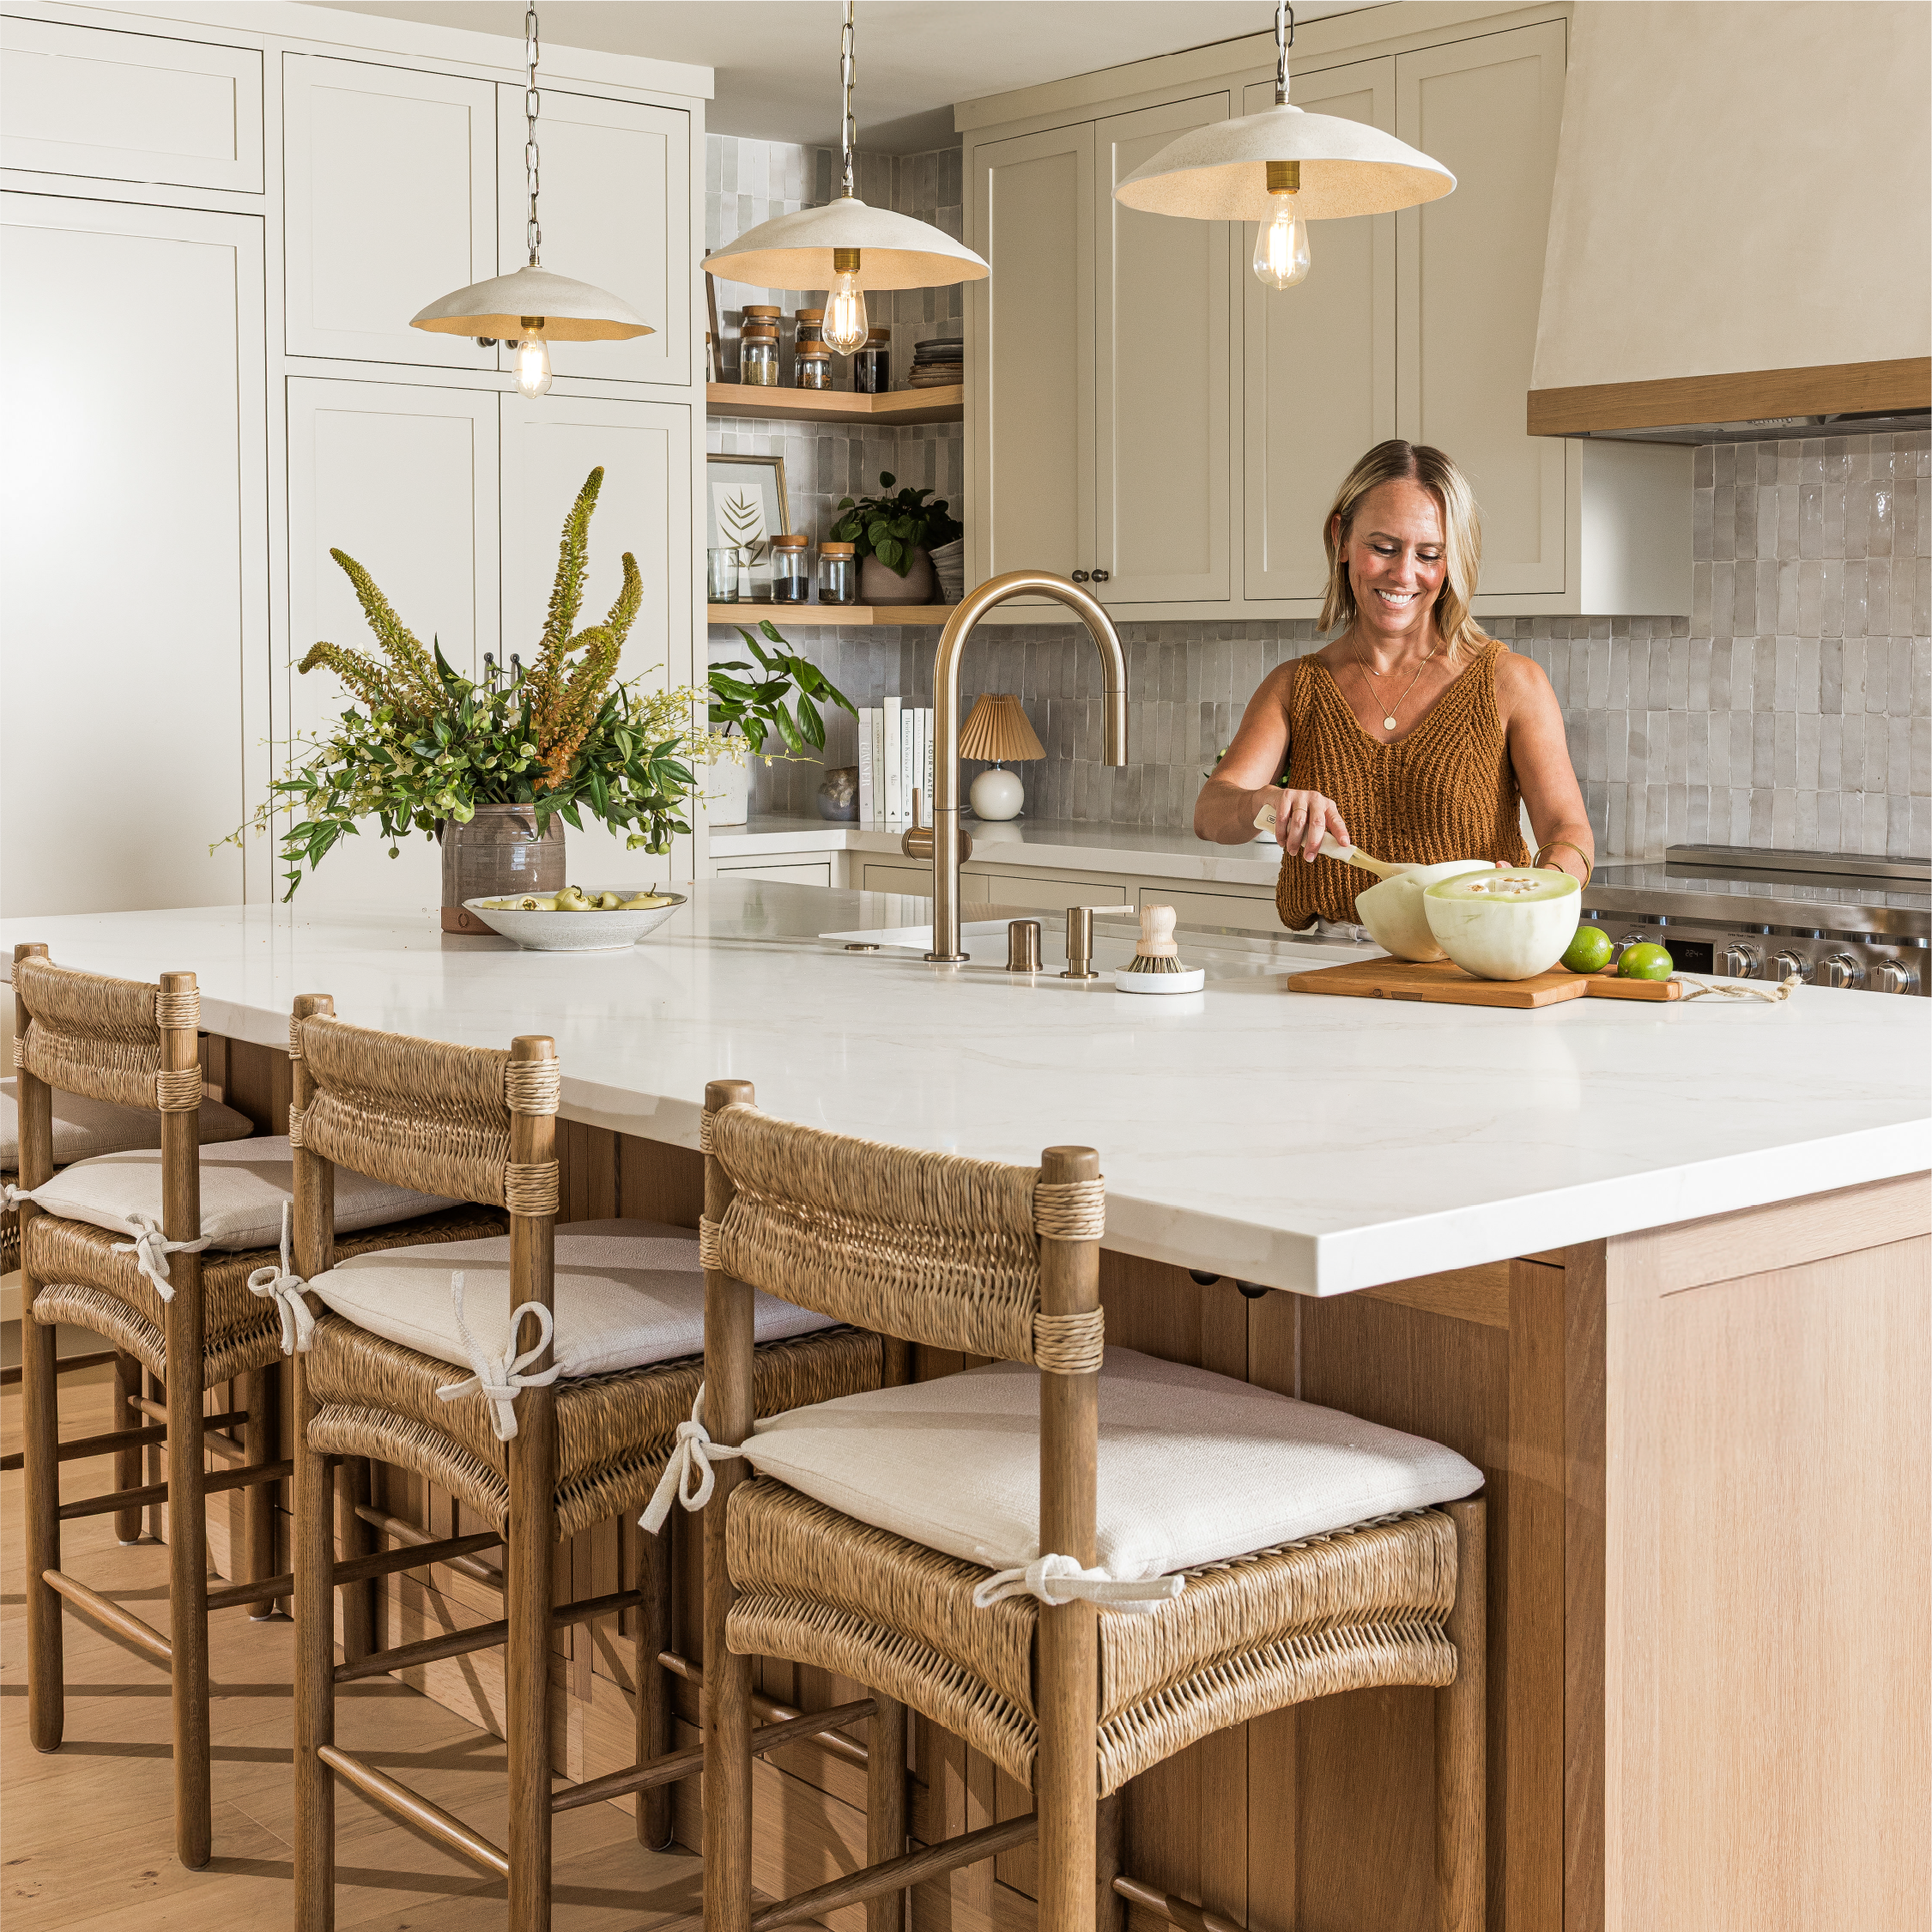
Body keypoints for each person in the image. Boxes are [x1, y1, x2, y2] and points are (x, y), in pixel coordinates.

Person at [1194, 439, 1595, 932]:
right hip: (1326, 968)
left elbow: (1568, 831)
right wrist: (1264, 802)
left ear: (1453, 563)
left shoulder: (1509, 683)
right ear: (1341, 537)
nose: (1404, 574)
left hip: (1468, 957)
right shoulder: (1295, 688)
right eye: (1383, 548)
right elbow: (1212, 810)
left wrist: (1539, 887)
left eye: (1429, 554)